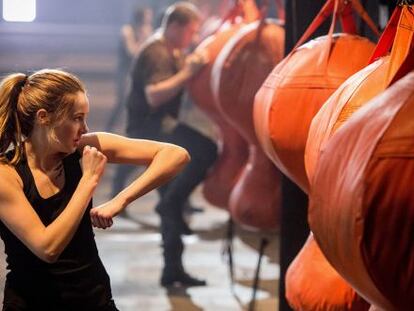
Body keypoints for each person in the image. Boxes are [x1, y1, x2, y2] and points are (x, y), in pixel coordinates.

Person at [0, 69, 190, 310]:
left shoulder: (81, 148)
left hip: (93, 298)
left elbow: (175, 155)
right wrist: (89, 180)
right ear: (43, 117)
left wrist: (121, 200)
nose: (85, 128)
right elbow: (47, 248)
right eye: (77, 118)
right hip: (33, 303)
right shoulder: (6, 174)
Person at [111, 2, 217, 287]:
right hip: (151, 130)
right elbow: (154, 96)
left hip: (161, 128)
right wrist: (188, 72)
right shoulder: (156, 52)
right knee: (205, 148)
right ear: (175, 27)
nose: (192, 38)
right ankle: (172, 204)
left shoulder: (170, 49)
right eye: (191, 32)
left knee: (171, 201)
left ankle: (172, 269)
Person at [105, 6, 153, 132]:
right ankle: (109, 128)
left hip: (138, 71)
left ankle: (133, 129)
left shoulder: (147, 29)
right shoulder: (127, 30)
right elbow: (132, 52)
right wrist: (143, 38)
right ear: (140, 17)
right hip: (125, 70)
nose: (150, 19)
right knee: (122, 100)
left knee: (137, 100)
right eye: (147, 16)